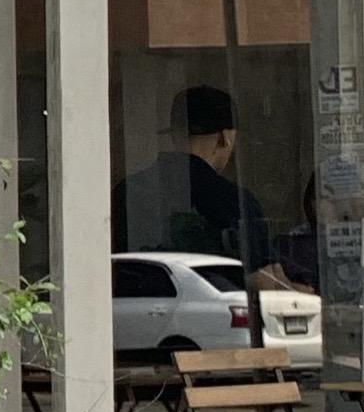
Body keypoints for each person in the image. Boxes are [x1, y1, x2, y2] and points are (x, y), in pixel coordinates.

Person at [114, 82, 283, 280]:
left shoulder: (127, 191)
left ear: (174, 134)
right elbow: (263, 281)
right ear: (225, 138)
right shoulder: (234, 200)